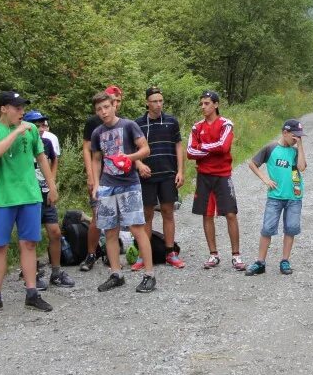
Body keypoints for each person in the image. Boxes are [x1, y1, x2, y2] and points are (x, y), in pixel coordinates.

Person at [0, 91, 56, 316]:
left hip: (30, 195)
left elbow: (41, 157)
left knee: (29, 244)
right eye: (17, 108)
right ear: (4, 108)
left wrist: (52, 185)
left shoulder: (31, 130)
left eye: (23, 108)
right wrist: (17, 131)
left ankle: (32, 293)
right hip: (2, 198)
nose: (21, 112)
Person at [88, 91, 158, 293]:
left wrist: (129, 157)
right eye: (99, 109)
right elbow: (95, 159)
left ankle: (149, 274)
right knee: (110, 231)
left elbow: (145, 149)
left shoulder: (128, 125)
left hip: (129, 184)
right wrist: (96, 184)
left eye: (106, 107)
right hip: (107, 186)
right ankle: (116, 274)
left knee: (137, 229)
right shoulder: (97, 133)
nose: (103, 112)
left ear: (114, 106)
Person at [187, 90, 246, 271]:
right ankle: (213, 254)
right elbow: (190, 152)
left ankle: (236, 256)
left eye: (207, 103)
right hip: (204, 175)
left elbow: (224, 146)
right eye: (202, 104)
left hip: (222, 175)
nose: (203, 107)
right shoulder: (197, 127)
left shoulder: (225, 124)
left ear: (216, 104)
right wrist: (208, 149)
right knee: (207, 214)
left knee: (230, 214)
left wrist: (202, 147)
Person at [132, 86, 186, 270]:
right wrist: (139, 164)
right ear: (147, 102)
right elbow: (132, 150)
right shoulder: (137, 123)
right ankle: (143, 255)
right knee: (146, 215)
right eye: (154, 101)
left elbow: (178, 146)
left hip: (168, 173)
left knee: (167, 211)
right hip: (146, 175)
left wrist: (180, 171)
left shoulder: (171, 121)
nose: (158, 104)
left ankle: (170, 252)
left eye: (160, 101)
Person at [245, 119, 308, 277]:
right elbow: (252, 163)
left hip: (294, 196)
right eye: (295, 137)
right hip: (275, 197)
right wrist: (264, 178)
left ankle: (285, 260)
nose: (297, 140)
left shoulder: (295, 151)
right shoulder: (271, 148)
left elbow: (301, 167)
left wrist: (300, 147)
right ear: (285, 133)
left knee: (291, 228)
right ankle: (260, 262)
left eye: (299, 137)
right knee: (267, 228)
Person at [24, 110, 75, 289]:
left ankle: (56, 271)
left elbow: (53, 161)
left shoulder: (46, 142)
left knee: (55, 232)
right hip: (28, 195)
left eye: (41, 125)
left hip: (45, 193)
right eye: (36, 125)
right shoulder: (21, 143)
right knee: (31, 237)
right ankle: (32, 273)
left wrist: (51, 183)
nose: (40, 128)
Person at [79, 85, 123, 271]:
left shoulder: (123, 122)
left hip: (118, 176)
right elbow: (87, 150)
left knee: (116, 218)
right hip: (100, 176)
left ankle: (110, 254)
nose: (115, 104)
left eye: (118, 101)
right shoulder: (93, 122)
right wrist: (90, 176)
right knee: (98, 216)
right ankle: (91, 254)